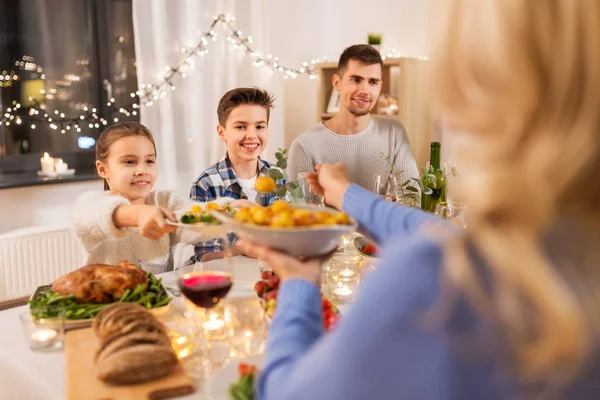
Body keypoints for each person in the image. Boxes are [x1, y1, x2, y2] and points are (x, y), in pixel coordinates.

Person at [235, 1, 600, 398]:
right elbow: (438, 233)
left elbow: (287, 394)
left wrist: (299, 283)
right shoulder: (566, 247)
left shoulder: (435, 280)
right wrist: (345, 194)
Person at [71, 122, 231, 274]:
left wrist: (232, 209)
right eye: (129, 161)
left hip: (158, 299)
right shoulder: (92, 204)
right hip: (109, 302)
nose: (142, 170)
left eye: (149, 161)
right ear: (103, 169)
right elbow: (92, 217)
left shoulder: (165, 201)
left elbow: (196, 220)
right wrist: (139, 214)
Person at [288, 44, 419, 191]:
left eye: (373, 82)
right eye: (356, 80)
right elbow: (300, 210)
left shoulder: (394, 132)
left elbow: (412, 197)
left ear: (380, 86)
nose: (364, 90)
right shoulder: (304, 146)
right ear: (337, 82)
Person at [189, 87, 284, 261]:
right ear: (221, 132)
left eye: (260, 126)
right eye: (240, 127)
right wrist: (242, 250)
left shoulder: (279, 177)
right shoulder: (205, 185)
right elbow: (203, 256)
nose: (252, 135)